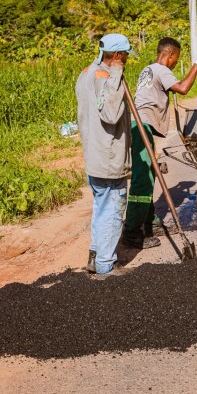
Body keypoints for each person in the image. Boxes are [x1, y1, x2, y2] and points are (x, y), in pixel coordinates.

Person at [124, 38, 197, 248]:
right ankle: (132, 233)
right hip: (142, 127)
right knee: (142, 180)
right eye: (175, 59)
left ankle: (150, 223)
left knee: (149, 174)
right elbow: (183, 88)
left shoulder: (148, 69)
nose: (174, 63)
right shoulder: (161, 69)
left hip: (137, 125)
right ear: (169, 54)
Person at [76, 33, 134, 277]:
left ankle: (95, 255)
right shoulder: (108, 76)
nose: (128, 60)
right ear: (118, 55)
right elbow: (110, 114)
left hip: (94, 154)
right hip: (108, 157)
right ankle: (105, 267)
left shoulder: (86, 72)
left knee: (101, 206)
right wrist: (117, 75)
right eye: (126, 56)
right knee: (112, 207)